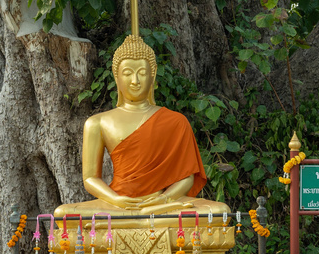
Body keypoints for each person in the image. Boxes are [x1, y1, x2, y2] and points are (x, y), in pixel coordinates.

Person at [56, 34, 229, 217]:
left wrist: (165, 199)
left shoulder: (176, 121)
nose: (135, 81)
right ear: (117, 77)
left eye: (143, 73)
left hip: (161, 204)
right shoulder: (97, 122)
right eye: (128, 73)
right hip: (118, 204)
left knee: (219, 211)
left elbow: (187, 177)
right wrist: (115, 199)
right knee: (63, 214)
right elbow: (90, 178)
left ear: (152, 76)